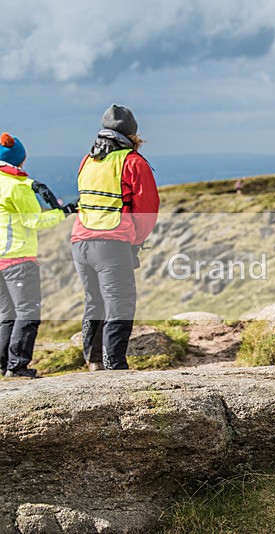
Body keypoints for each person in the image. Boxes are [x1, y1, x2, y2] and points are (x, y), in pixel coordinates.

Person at [72, 104, 160, 371]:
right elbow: (147, 210)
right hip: (111, 245)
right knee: (119, 304)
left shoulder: (88, 160)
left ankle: (94, 362)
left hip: (79, 243)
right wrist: (135, 241)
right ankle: (115, 367)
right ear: (132, 133)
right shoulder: (133, 162)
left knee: (94, 302)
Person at [0, 133, 75, 378]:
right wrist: (64, 212)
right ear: (21, 159)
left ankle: (3, 365)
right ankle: (18, 366)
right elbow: (34, 220)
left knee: (6, 315)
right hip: (18, 258)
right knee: (28, 313)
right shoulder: (17, 187)